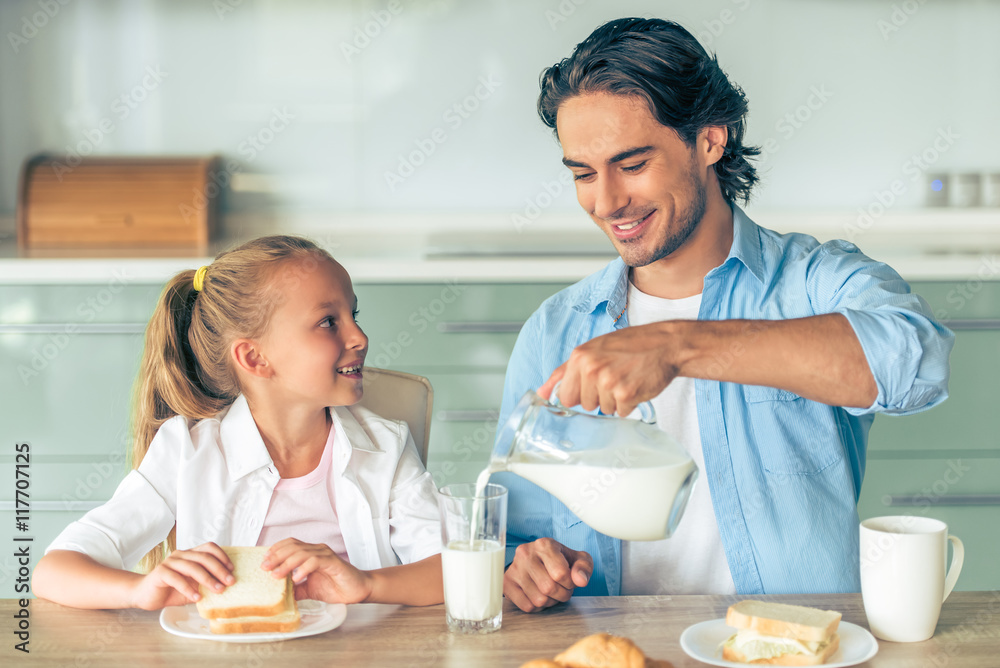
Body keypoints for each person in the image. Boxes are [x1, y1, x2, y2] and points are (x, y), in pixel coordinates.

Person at [493, 17, 953, 612]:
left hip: (791, 643)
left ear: (710, 140)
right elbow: (516, 539)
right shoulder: (556, 330)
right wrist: (527, 568)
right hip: (617, 646)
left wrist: (677, 345)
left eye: (632, 165)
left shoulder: (812, 284)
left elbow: (916, 364)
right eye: (583, 174)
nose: (605, 202)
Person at [33, 235, 443, 610]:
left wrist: (367, 584)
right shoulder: (187, 451)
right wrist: (139, 591)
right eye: (328, 322)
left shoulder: (386, 447)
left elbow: (453, 569)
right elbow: (54, 571)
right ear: (254, 358)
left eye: (352, 314)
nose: (359, 337)